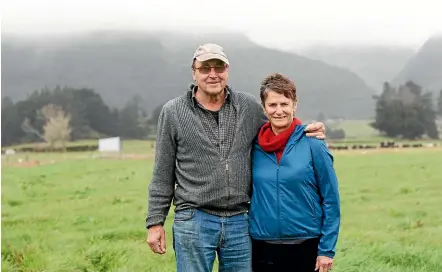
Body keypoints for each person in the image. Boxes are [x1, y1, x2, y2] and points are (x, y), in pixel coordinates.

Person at [146, 43, 327, 272]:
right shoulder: (173, 112)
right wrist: (155, 222)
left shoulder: (248, 106)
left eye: (219, 67)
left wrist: (307, 130)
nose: (213, 74)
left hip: (240, 222)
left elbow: (280, 125)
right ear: (194, 72)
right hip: (194, 219)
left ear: (227, 70)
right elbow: (162, 171)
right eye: (205, 68)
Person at [249, 73, 340, 272]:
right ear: (264, 108)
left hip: (306, 245)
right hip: (262, 248)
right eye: (273, 105)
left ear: (294, 105)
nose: (279, 110)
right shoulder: (252, 147)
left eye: (284, 103)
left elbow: (331, 199)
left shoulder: (313, 143)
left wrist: (326, 250)